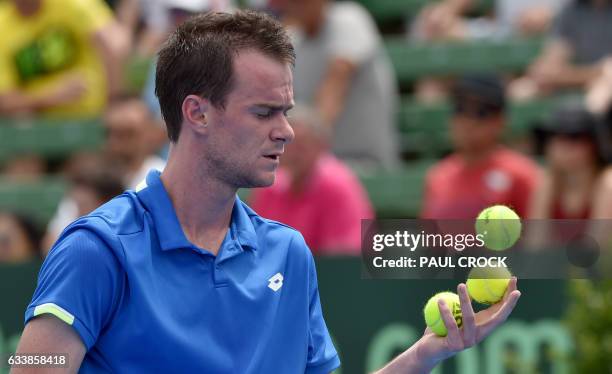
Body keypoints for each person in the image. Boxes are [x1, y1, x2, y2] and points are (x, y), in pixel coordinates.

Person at [14, 11, 520, 373]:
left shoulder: (289, 254)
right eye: (264, 112)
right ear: (197, 113)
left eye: (287, 111)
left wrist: (423, 356)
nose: (286, 131)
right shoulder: (94, 250)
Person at [276, 0, 399, 171]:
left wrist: (308, 144)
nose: (296, 4)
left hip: (366, 163)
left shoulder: (348, 19)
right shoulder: (293, 41)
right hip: (317, 167)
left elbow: (338, 77)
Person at [42, 99, 166, 250]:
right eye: (110, 132)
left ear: (151, 134)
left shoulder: (163, 177)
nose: (116, 143)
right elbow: (52, 243)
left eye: (127, 133)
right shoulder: (89, 179)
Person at [250, 105, 373, 255]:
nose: (293, 154)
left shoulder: (337, 185)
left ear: (321, 146)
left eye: (302, 146)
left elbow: (345, 255)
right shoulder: (270, 186)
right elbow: (258, 245)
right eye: (287, 145)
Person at [422, 74, 541, 219]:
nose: (467, 121)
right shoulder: (438, 176)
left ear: (500, 120)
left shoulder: (521, 175)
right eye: (460, 109)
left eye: (480, 112)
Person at [0, 0, 127, 117]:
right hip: (35, 128)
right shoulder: (2, 23)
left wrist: (113, 105)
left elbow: (115, 45)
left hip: (93, 117)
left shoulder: (73, 3)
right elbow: (4, 101)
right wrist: (52, 97)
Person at [511, 0, 612, 100]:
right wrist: (594, 73)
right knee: (521, 90)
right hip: (574, 80)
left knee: (601, 91)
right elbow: (549, 66)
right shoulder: (571, 10)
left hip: (602, 85)